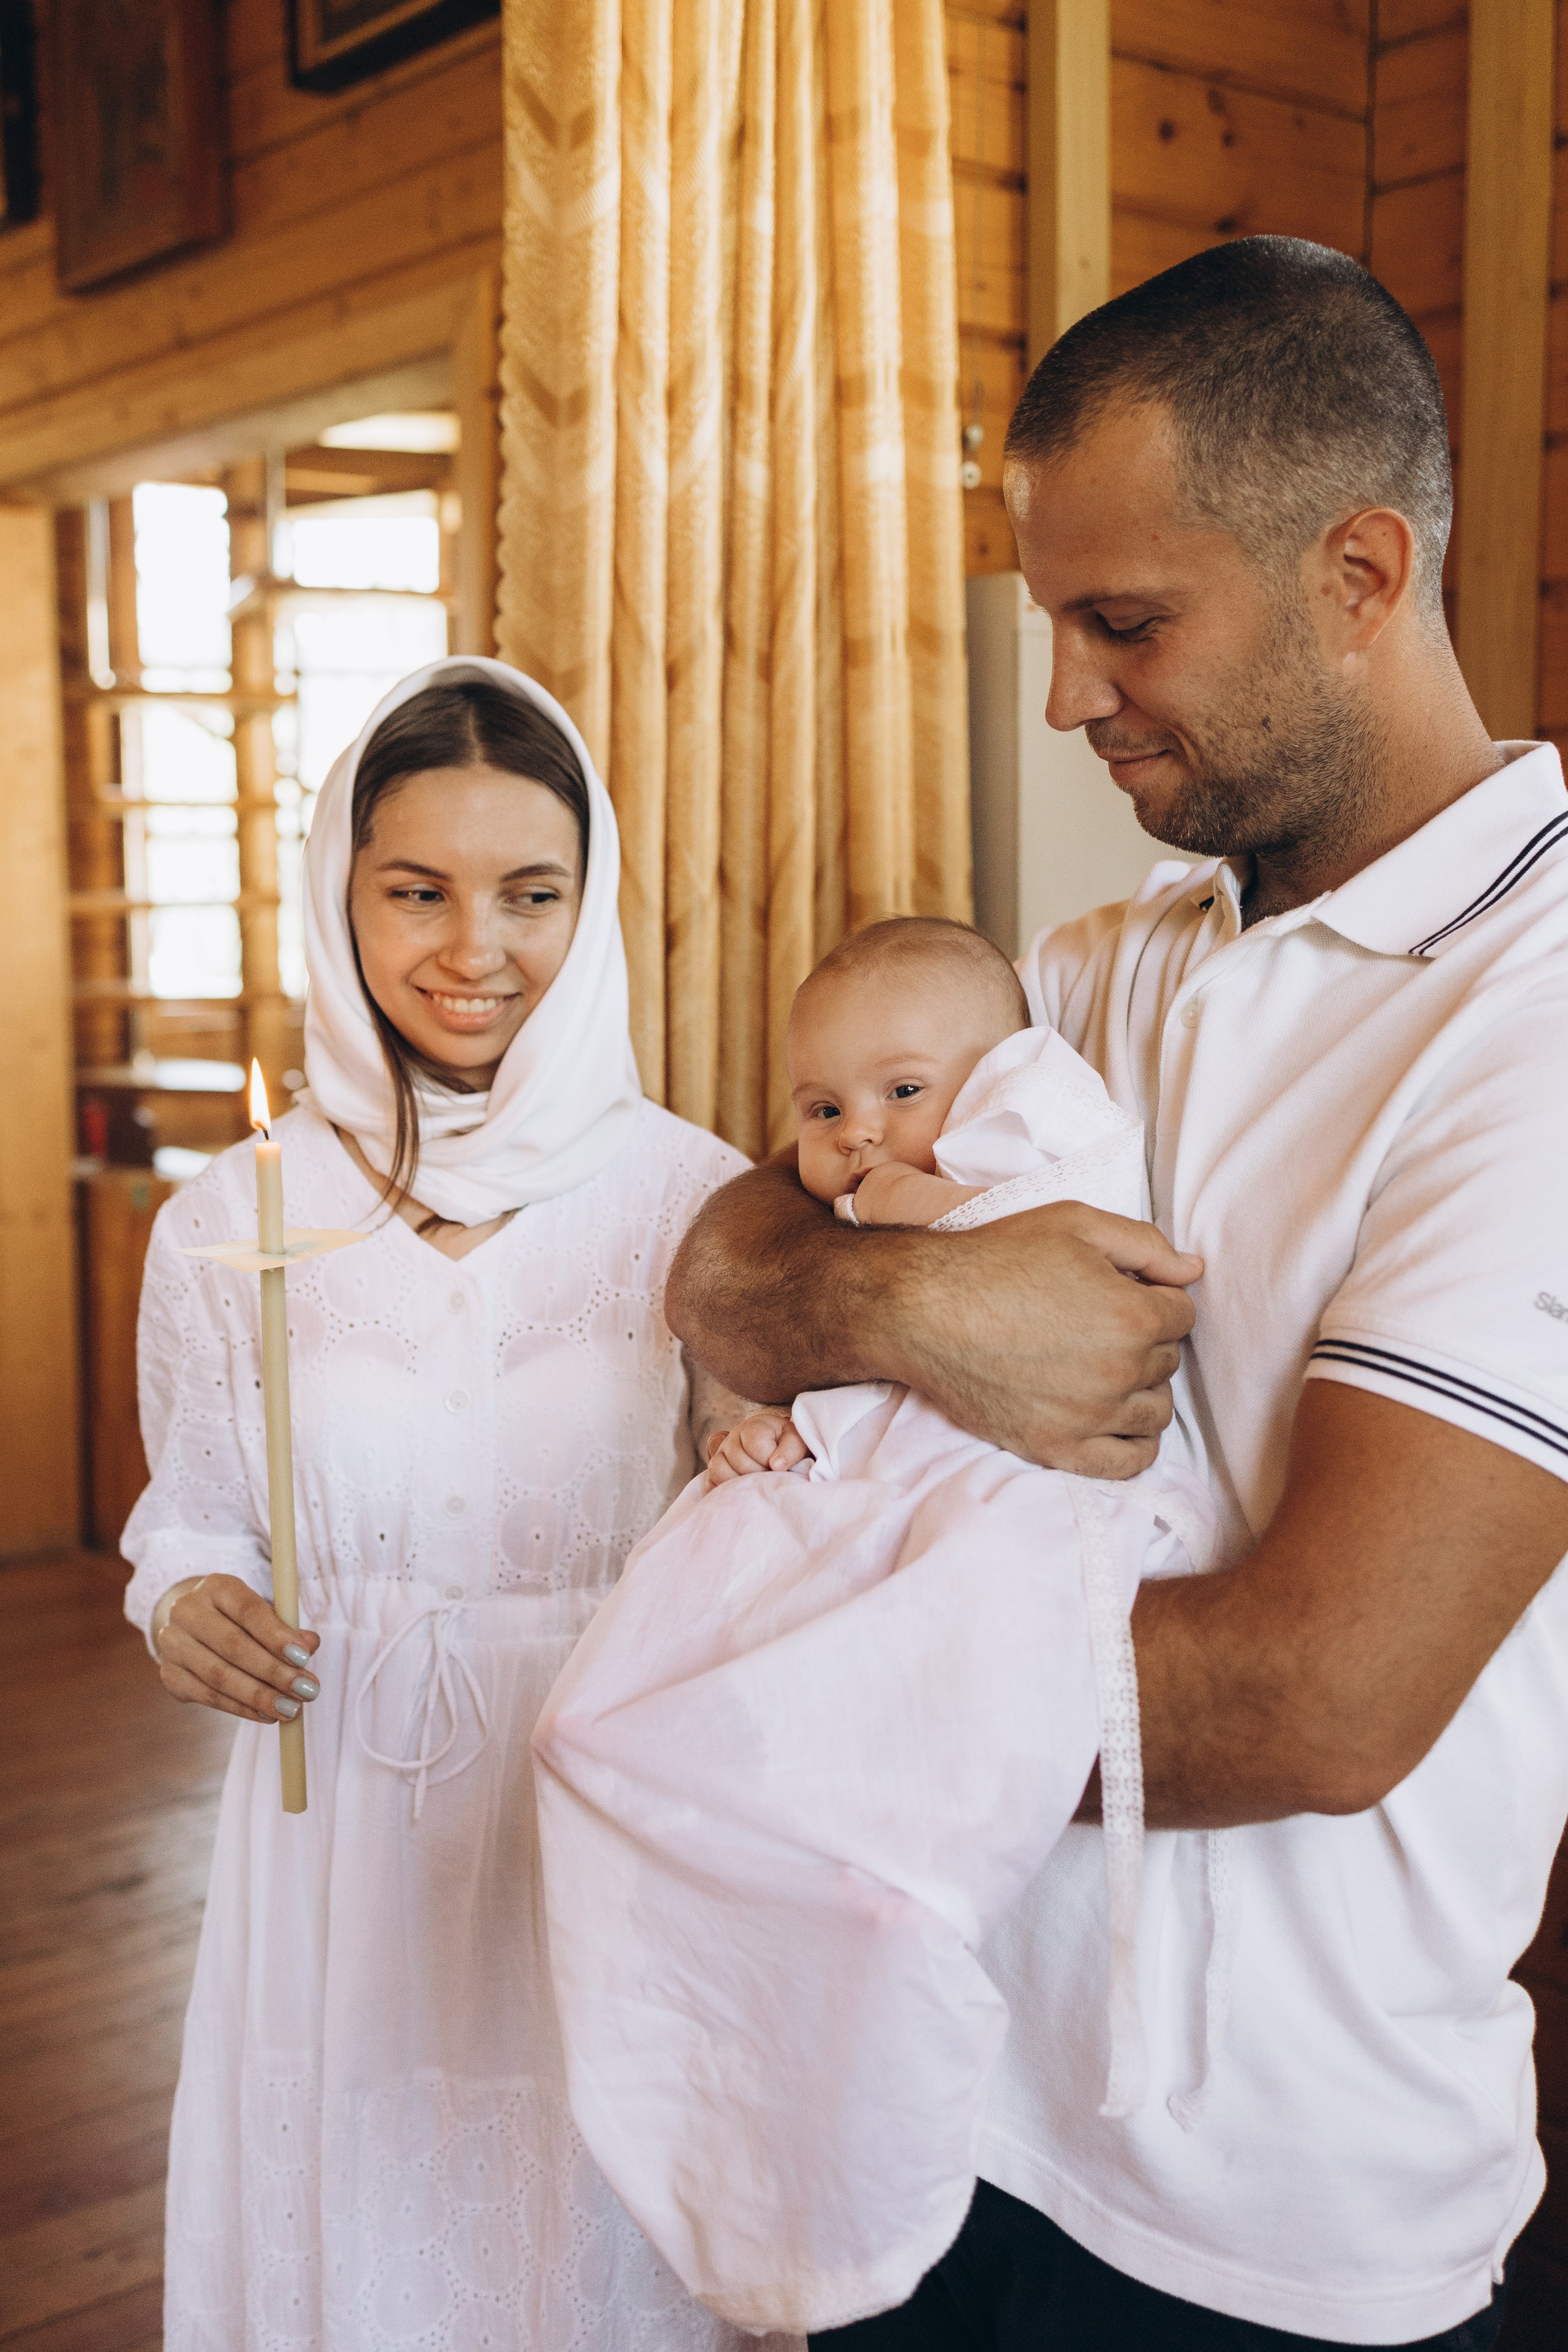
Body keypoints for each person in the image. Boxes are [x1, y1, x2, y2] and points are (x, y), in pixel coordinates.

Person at [664, 238, 1568, 2350]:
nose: (1065, 691)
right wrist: (908, 1314)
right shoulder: (1094, 968)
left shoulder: (1533, 1017)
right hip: (934, 2087)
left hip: (1268, 2219)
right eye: (1051, 620)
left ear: (1358, 575)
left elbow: (1313, 1700)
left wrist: (756, 1677)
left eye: (1122, 621)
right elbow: (727, 1256)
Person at [122, 657, 782, 2352]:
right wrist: (185, 1599)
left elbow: (768, 1519)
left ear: (594, 900)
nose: (475, 950)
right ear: (340, 896)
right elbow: (193, 1518)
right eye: (417, 891)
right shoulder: (232, 1216)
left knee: (585, 2224)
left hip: (601, 1808)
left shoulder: (696, 1204)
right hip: (333, 1813)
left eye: (531, 895)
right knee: (364, 2221)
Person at [533, 915, 1215, 2335]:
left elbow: (978, 1237)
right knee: (603, 1724)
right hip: (895, 1452)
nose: (858, 1134)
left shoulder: (1038, 1099)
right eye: (823, 1105)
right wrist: (761, 1410)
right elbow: (794, 1289)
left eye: (903, 1091)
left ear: (993, 1063)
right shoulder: (1002, 1050)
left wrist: (868, 1205)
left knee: (826, 1790)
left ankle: (826, 2061)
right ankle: (734, 2116)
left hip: (1013, 1487)